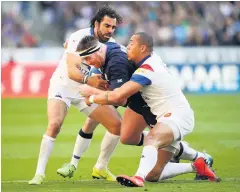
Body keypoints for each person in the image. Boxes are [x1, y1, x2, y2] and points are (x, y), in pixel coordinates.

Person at [82, 32, 219, 187]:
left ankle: (138, 178)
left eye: (131, 43)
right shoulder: (150, 61)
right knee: (154, 175)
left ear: (143, 48)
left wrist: (92, 97)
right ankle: (197, 165)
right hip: (164, 118)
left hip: (177, 116)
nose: (127, 47)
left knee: (152, 138)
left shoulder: (147, 70)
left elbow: (119, 96)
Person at [28, 5, 124, 185]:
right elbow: (72, 71)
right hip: (63, 85)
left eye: (113, 27)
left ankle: (100, 168)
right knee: (55, 124)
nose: (110, 31)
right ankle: (39, 174)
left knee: (117, 125)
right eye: (107, 26)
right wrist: (91, 80)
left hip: (84, 91)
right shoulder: (79, 36)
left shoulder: (110, 45)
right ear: (96, 24)